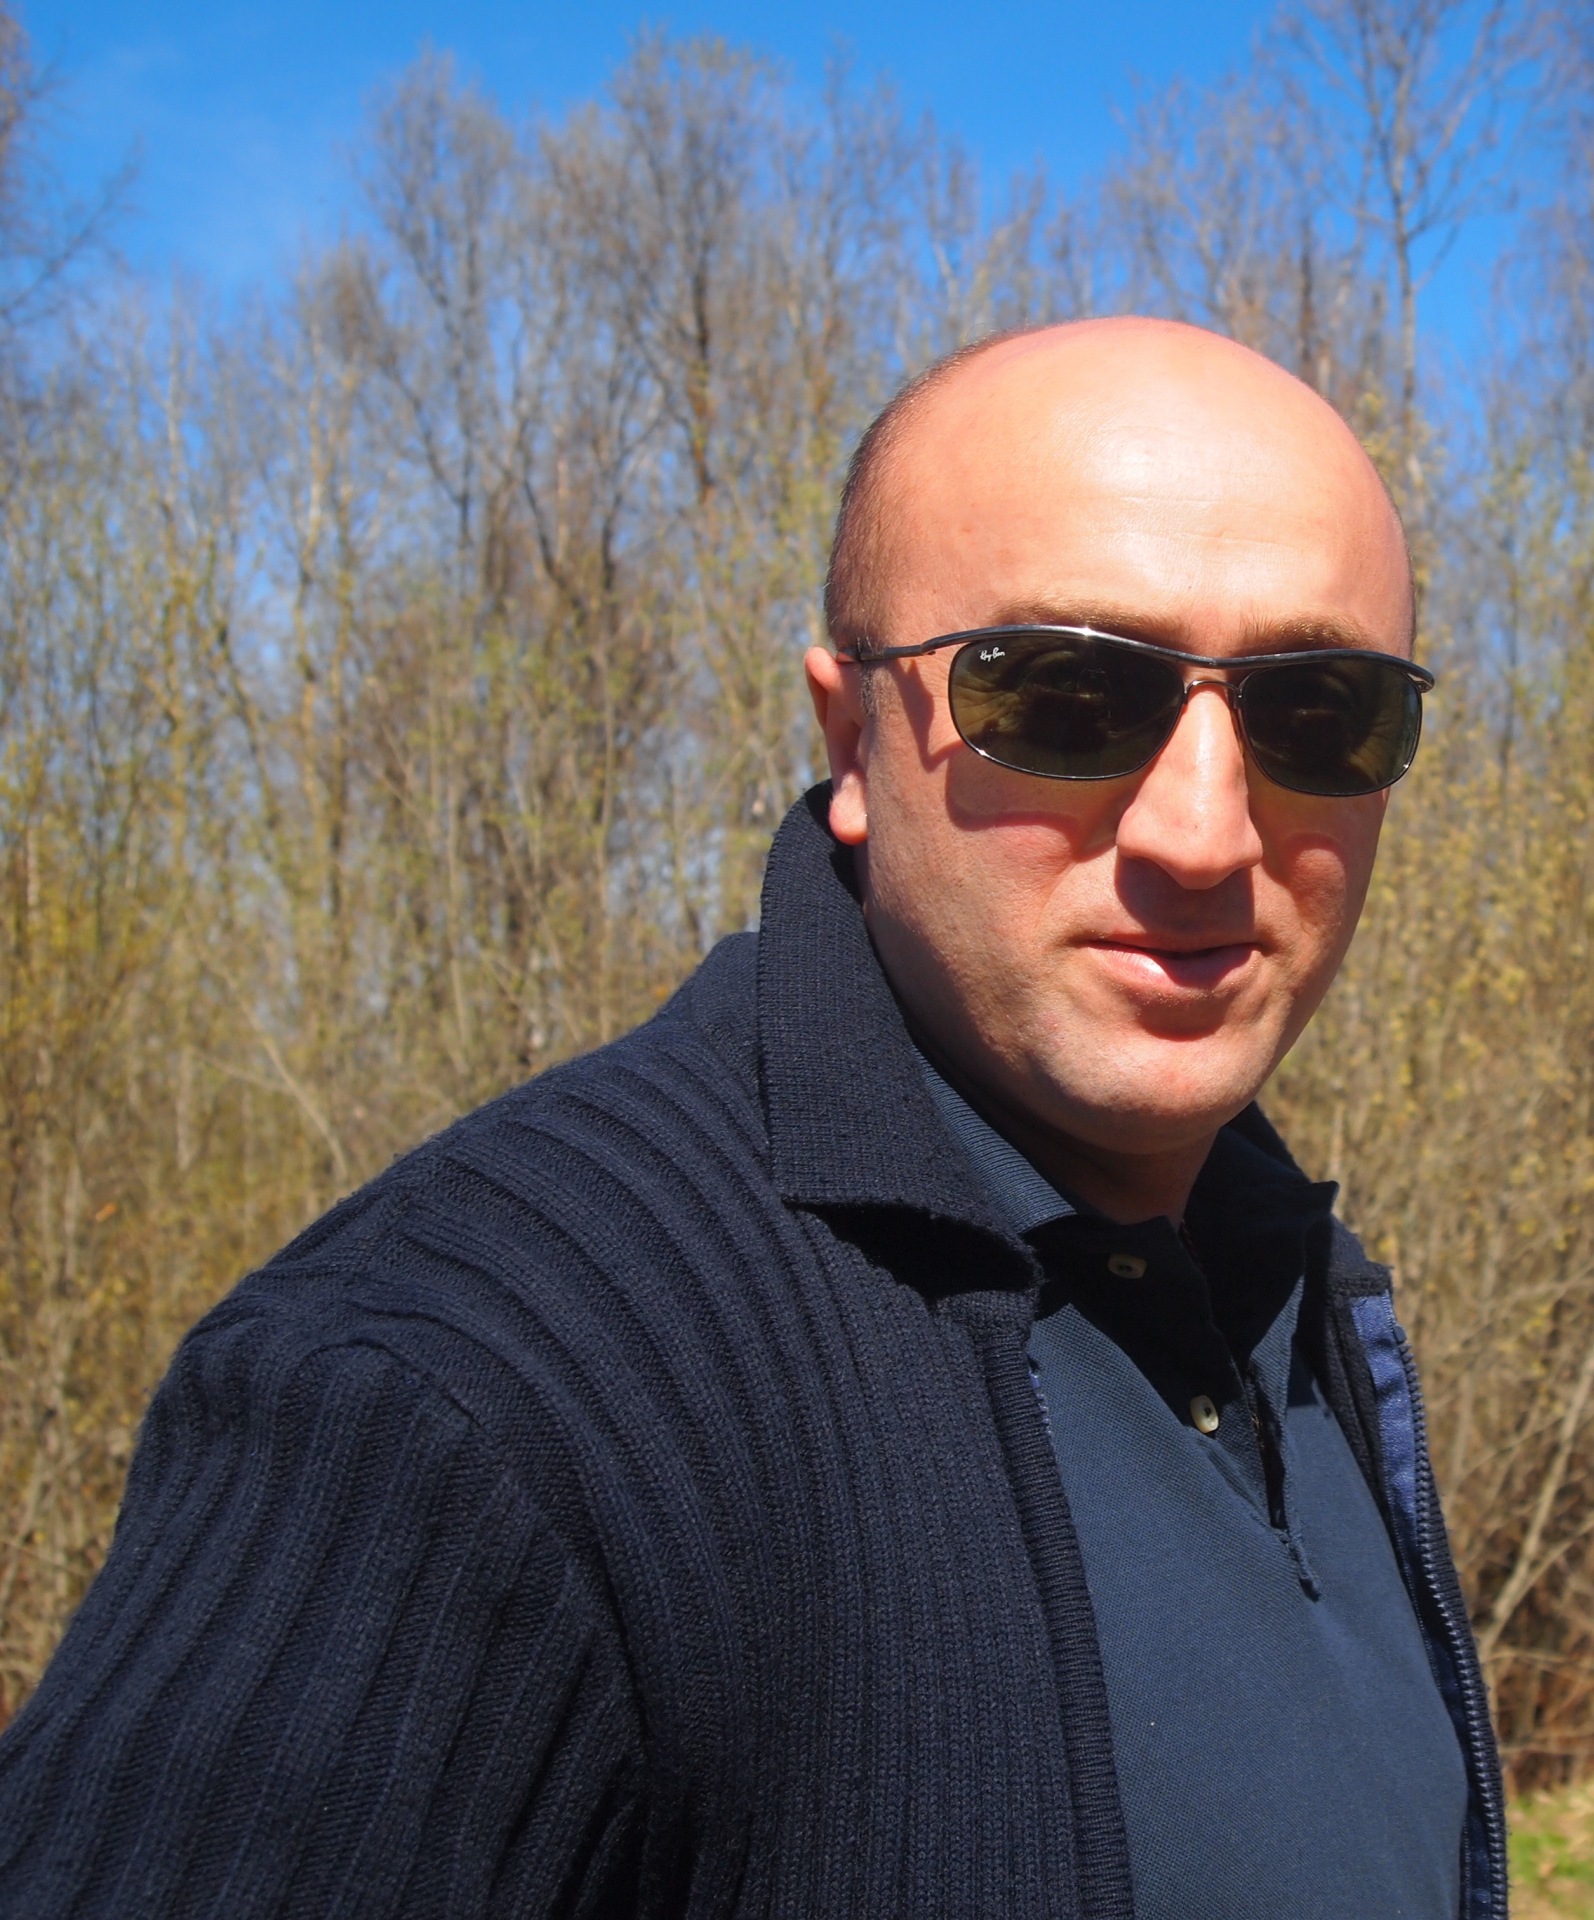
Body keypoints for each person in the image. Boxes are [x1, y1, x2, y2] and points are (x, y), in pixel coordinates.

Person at [0, 317, 1506, 1918]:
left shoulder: (1294, 1295)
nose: (1203, 834)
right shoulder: (475, 1387)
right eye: (1065, 695)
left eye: (1320, 712)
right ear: (850, 740)